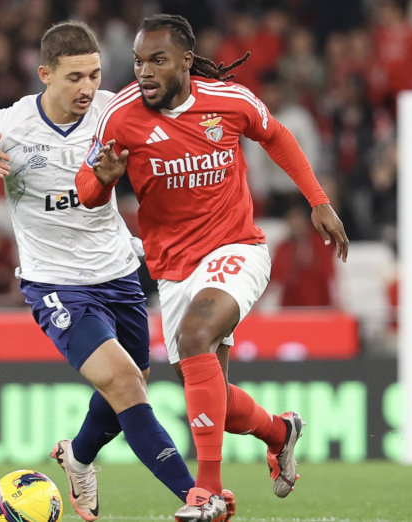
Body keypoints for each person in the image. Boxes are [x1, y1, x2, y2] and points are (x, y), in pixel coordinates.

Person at [75, 14, 349, 521]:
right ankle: (279, 431)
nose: (145, 72)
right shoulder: (120, 114)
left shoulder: (229, 101)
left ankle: (209, 494)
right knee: (210, 398)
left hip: (237, 248)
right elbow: (87, 191)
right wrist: (103, 180)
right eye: (138, 61)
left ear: (184, 60)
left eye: (157, 60)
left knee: (197, 335)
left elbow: (279, 137)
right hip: (173, 269)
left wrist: (318, 200)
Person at [0, 21, 201, 522]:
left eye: (95, 75)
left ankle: (77, 457)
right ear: (45, 74)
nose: (88, 88)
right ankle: (196, 497)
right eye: (75, 77)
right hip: (55, 283)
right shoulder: (9, 124)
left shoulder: (113, 112)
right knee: (124, 382)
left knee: (131, 379)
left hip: (120, 272)